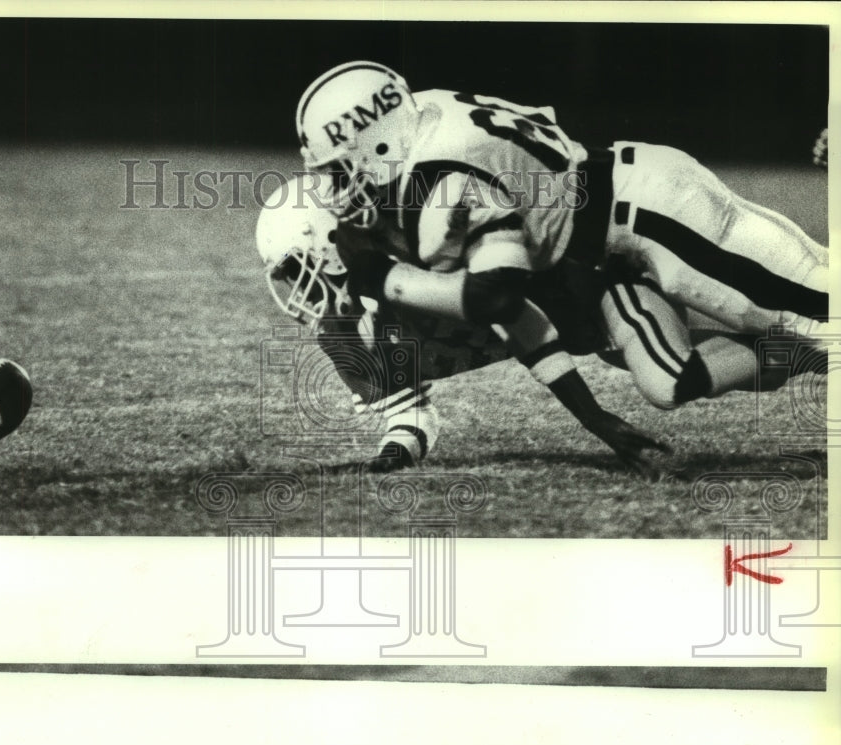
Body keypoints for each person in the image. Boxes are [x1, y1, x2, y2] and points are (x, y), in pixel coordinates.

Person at [293, 61, 828, 423]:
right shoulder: (421, 116)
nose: (337, 185)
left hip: (650, 208)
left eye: (341, 169)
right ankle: (803, 355)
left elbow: (497, 295)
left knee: (820, 310)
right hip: (610, 234)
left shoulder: (441, 178)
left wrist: (384, 278)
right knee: (677, 372)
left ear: (380, 139)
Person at [256, 175, 812, 474]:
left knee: (671, 379)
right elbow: (410, 416)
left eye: (292, 267)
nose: (292, 286)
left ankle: (816, 347)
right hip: (589, 331)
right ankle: (804, 352)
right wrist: (393, 452)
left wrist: (592, 417)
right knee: (741, 361)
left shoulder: (415, 268)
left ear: (330, 247)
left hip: (599, 284)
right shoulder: (342, 336)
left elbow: (519, 319)